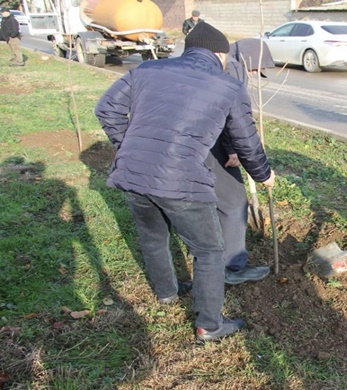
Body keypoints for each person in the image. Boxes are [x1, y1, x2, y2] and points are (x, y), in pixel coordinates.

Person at [95, 22, 275, 342]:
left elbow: (107, 108)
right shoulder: (226, 85)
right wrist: (263, 174)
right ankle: (209, 324)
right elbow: (245, 140)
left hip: (133, 174)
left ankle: (168, 293)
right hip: (181, 179)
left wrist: (128, 148)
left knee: (153, 238)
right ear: (220, 54)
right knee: (208, 250)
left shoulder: (147, 70)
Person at [205, 38, 276, 285]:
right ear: (247, 58)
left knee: (209, 201)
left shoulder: (212, 64)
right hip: (213, 146)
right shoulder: (233, 67)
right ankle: (231, 268)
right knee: (234, 203)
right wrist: (232, 149)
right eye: (256, 68)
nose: (256, 74)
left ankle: (209, 256)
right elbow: (230, 115)